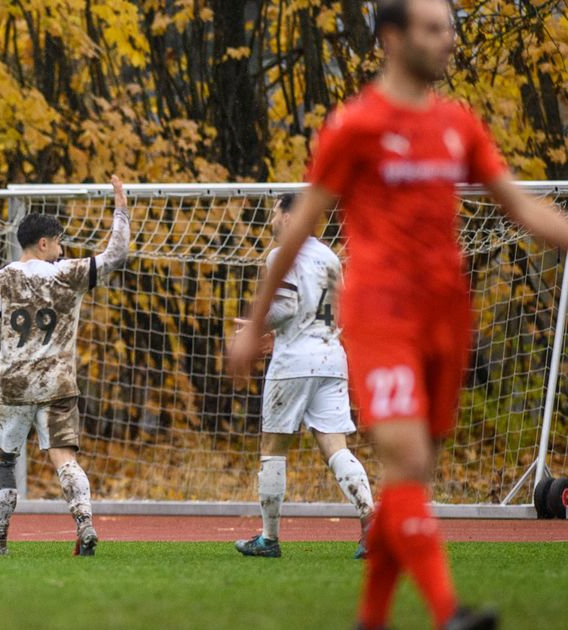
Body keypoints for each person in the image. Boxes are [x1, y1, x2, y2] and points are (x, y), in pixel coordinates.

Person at [227, 1, 568, 627]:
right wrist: (252, 326)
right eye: (435, 29)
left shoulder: (457, 124)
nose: (449, 41)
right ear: (392, 38)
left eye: (451, 29)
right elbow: (298, 227)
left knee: (411, 479)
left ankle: (371, 617)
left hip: (446, 314)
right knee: (408, 462)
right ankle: (448, 612)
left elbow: (523, 207)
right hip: (380, 313)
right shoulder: (355, 126)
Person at [0, 174, 131, 556]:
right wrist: (121, 207)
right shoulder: (69, 275)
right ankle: (84, 524)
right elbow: (116, 255)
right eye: (58, 242)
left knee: (1, 460)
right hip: (57, 384)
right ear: (43, 243)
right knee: (64, 458)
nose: (62, 248)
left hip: (13, 385)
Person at [233, 193, 374, 560]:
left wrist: (253, 329)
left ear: (289, 216)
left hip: (294, 363)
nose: (271, 221)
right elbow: (328, 311)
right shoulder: (328, 256)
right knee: (335, 447)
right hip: (331, 358)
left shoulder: (282, 254)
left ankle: (268, 538)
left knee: (273, 447)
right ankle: (370, 520)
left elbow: (285, 306)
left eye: (274, 213)